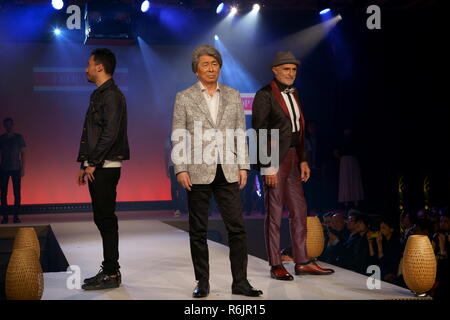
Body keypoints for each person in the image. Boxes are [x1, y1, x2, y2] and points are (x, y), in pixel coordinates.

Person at [171, 45, 262, 298]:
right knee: (198, 229)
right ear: (196, 70)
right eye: (205, 65)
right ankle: (202, 281)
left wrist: (244, 165)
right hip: (197, 169)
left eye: (215, 63)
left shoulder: (232, 94)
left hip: (228, 169)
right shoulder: (184, 97)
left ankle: (240, 282)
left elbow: (238, 133)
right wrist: (181, 169)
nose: (211, 68)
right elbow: (178, 135)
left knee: (237, 227)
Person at [252, 50, 333, 280]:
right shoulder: (264, 94)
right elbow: (259, 132)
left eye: (294, 69)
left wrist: (303, 158)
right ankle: (276, 264)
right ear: (275, 70)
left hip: (293, 159)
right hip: (274, 159)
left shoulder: (295, 92)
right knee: (275, 213)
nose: (291, 73)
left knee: (300, 210)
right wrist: (267, 166)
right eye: (286, 69)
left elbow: (299, 129)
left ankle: (302, 261)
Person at [76, 48, 130, 290]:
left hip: (106, 166)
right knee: (102, 218)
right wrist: (84, 163)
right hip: (98, 165)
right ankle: (109, 269)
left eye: (89, 64)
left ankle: (111, 273)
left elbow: (110, 134)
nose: (86, 69)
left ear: (99, 67)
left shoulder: (113, 96)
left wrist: (93, 162)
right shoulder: (98, 95)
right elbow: (89, 133)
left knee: (106, 219)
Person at [0, 118, 25, 224]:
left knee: (17, 193)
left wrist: (23, 168)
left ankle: (16, 216)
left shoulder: (18, 138)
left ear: (13, 125)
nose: (8, 127)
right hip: (3, 169)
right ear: (4, 126)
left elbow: (23, 154)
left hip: (16, 168)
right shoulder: (1, 138)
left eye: (10, 125)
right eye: (6, 125)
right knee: (3, 194)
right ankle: (5, 217)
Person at [334, 128, 364, 210]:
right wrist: (341, 159)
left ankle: (356, 201)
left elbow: (359, 150)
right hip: (345, 161)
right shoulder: (341, 140)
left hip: (353, 160)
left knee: (354, 181)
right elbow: (336, 151)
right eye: (346, 130)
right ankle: (346, 202)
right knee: (345, 181)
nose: (347, 131)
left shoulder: (354, 140)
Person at [367, 218, 402, 283]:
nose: (381, 230)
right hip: (381, 270)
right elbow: (373, 259)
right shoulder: (383, 241)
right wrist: (370, 243)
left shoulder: (396, 243)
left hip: (390, 273)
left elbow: (385, 263)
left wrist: (379, 245)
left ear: (391, 229)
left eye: (384, 228)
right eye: (380, 228)